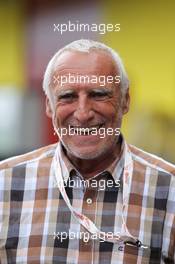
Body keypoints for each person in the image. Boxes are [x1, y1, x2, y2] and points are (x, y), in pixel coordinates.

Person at [0, 39, 174, 264]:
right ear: (49, 106)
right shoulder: (5, 184)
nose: (83, 114)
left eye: (99, 94)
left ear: (125, 101)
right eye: (67, 96)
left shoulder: (169, 189)